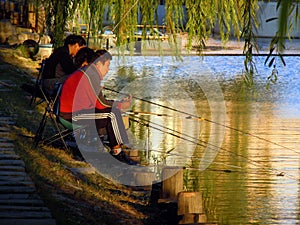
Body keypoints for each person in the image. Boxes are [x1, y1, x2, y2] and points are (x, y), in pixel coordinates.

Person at [59, 49, 136, 165]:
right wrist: (121, 105)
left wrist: (118, 103)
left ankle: (119, 148)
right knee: (112, 113)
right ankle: (118, 152)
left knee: (112, 112)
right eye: (107, 65)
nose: (108, 70)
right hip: (71, 115)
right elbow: (101, 104)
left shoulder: (89, 73)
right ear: (99, 64)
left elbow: (100, 102)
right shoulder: (90, 74)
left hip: (74, 112)